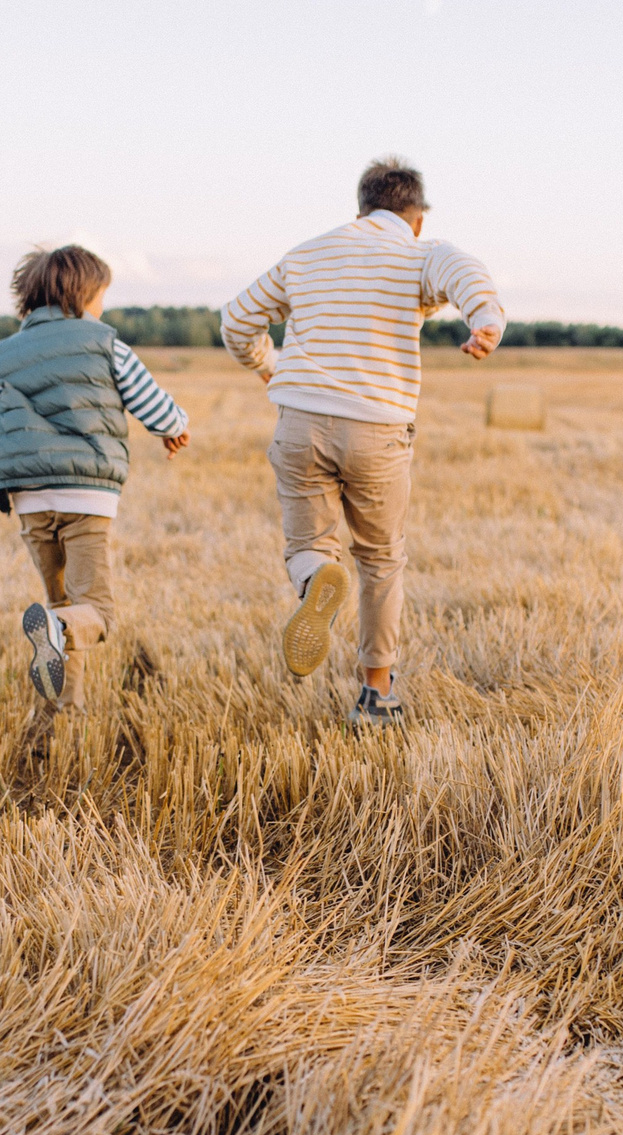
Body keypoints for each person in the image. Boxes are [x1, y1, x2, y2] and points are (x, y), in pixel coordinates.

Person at [220, 156, 507, 729]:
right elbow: (463, 269)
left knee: (308, 542)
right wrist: (485, 319)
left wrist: (267, 367)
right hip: (377, 427)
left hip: (301, 421)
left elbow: (236, 320)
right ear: (417, 216)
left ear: (360, 209)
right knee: (380, 558)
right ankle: (377, 693)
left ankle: (313, 580)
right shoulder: (418, 251)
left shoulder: (307, 253)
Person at [0, 244, 190, 711]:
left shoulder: (4, 354)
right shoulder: (105, 344)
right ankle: (58, 646)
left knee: (62, 607)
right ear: (83, 295)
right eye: (101, 298)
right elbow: (155, 406)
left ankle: (64, 710)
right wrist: (175, 428)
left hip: (30, 502)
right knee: (96, 611)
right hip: (88, 498)